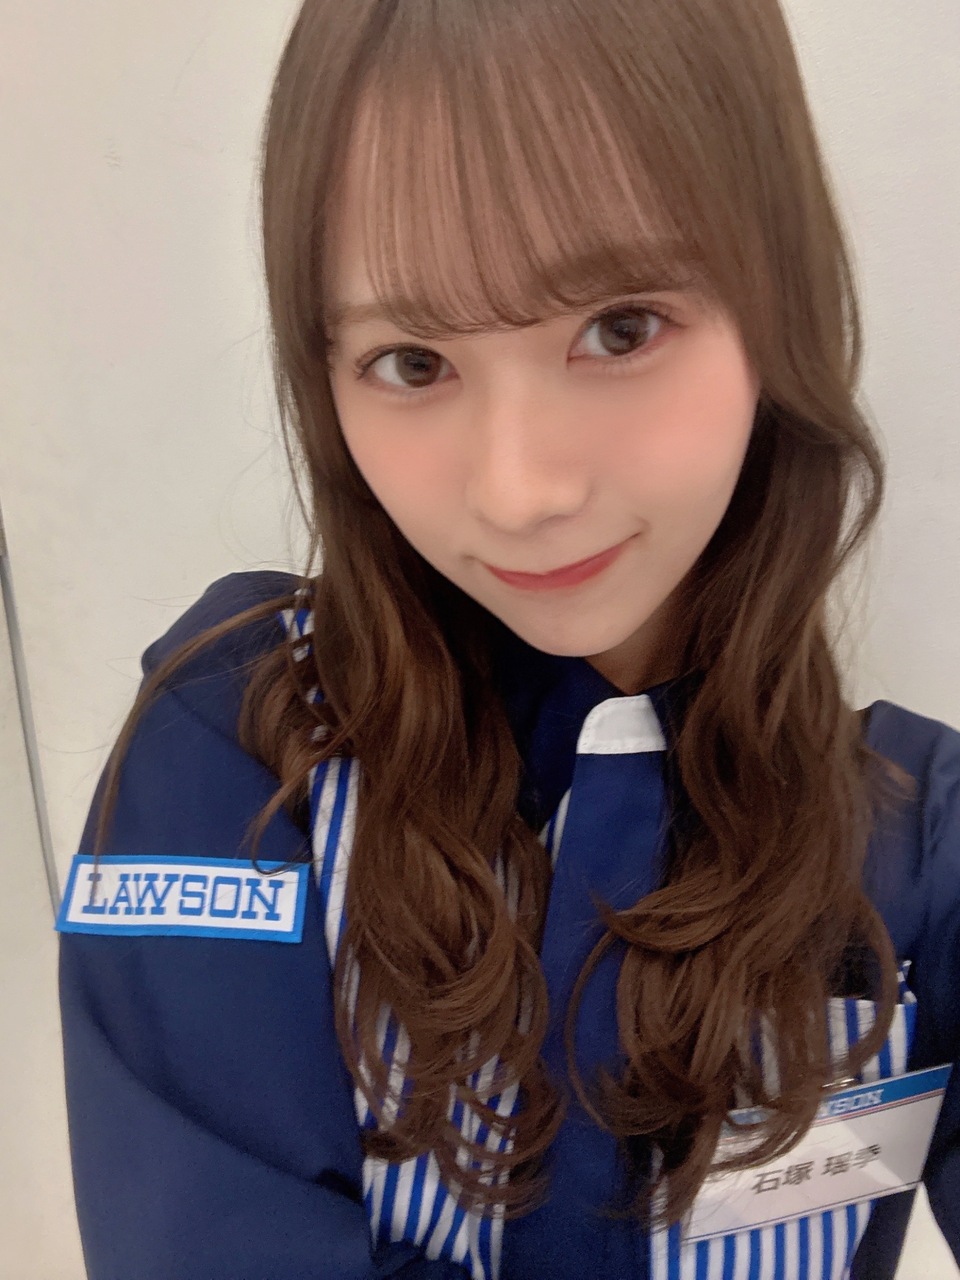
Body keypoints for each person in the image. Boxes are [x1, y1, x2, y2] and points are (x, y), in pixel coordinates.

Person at [55, 1, 960, 1277]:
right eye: (413, 361)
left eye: (621, 327)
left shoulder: (918, 842)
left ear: (781, 303)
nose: (521, 488)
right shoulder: (247, 747)